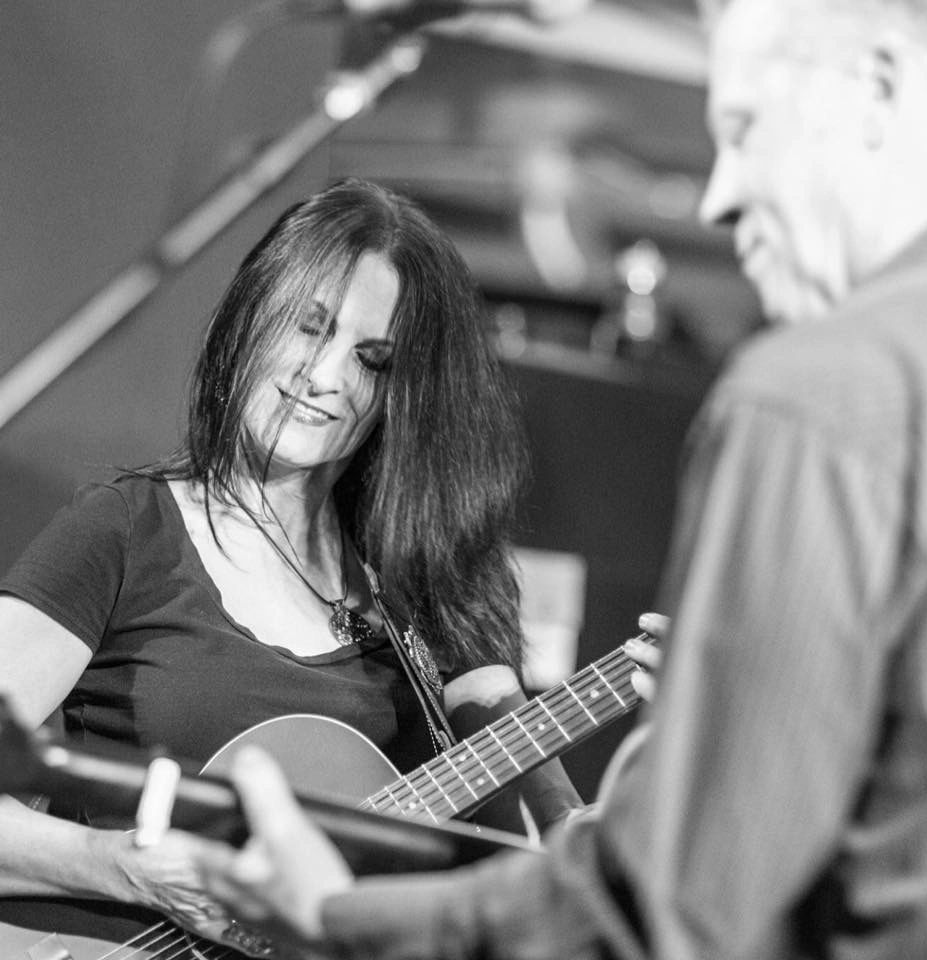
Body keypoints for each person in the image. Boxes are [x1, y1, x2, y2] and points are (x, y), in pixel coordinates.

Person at [189, 1, 927, 957]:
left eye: (744, 130)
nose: (717, 197)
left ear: (877, 89)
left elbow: (676, 914)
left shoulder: (824, 394)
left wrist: (338, 919)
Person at [0, 178, 663, 949]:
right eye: (309, 329)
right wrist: (126, 867)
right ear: (249, 319)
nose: (329, 380)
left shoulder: (423, 583)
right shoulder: (124, 529)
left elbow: (551, 840)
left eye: (373, 361)